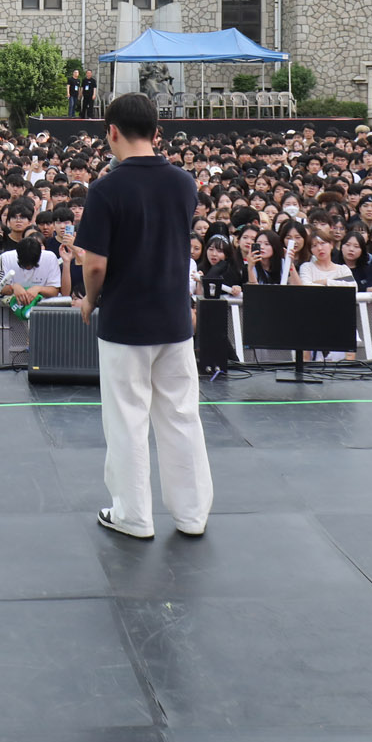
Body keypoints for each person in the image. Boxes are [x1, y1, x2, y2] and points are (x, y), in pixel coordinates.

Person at [74, 92, 212, 540]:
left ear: (110, 132)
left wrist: (91, 301)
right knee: (181, 416)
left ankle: (133, 515)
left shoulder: (105, 189)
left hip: (125, 323)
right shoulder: (184, 183)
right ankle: (192, 514)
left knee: (128, 420)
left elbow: (95, 265)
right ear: (158, 132)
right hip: (174, 318)